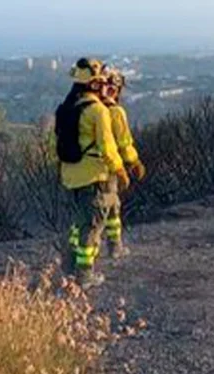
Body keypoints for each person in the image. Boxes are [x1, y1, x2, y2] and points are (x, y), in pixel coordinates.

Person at [58, 58, 129, 289]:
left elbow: (54, 145)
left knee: (77, 223)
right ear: (95, 83)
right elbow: (108, 147)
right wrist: (120, 169)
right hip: (93, 177)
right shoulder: (98, 111)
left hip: (70, 176)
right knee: (92, 226)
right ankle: (85, 274)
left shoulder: (64, 108)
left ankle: (69, 266)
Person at [100, 67, 146, 260]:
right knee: (111, 206)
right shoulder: (114, 112)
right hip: (107, 168)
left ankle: (79, 253)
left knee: (90, 211)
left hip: (80, 169)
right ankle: (113, 246)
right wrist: (134, 162)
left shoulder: (85, 109)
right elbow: (124, 143)